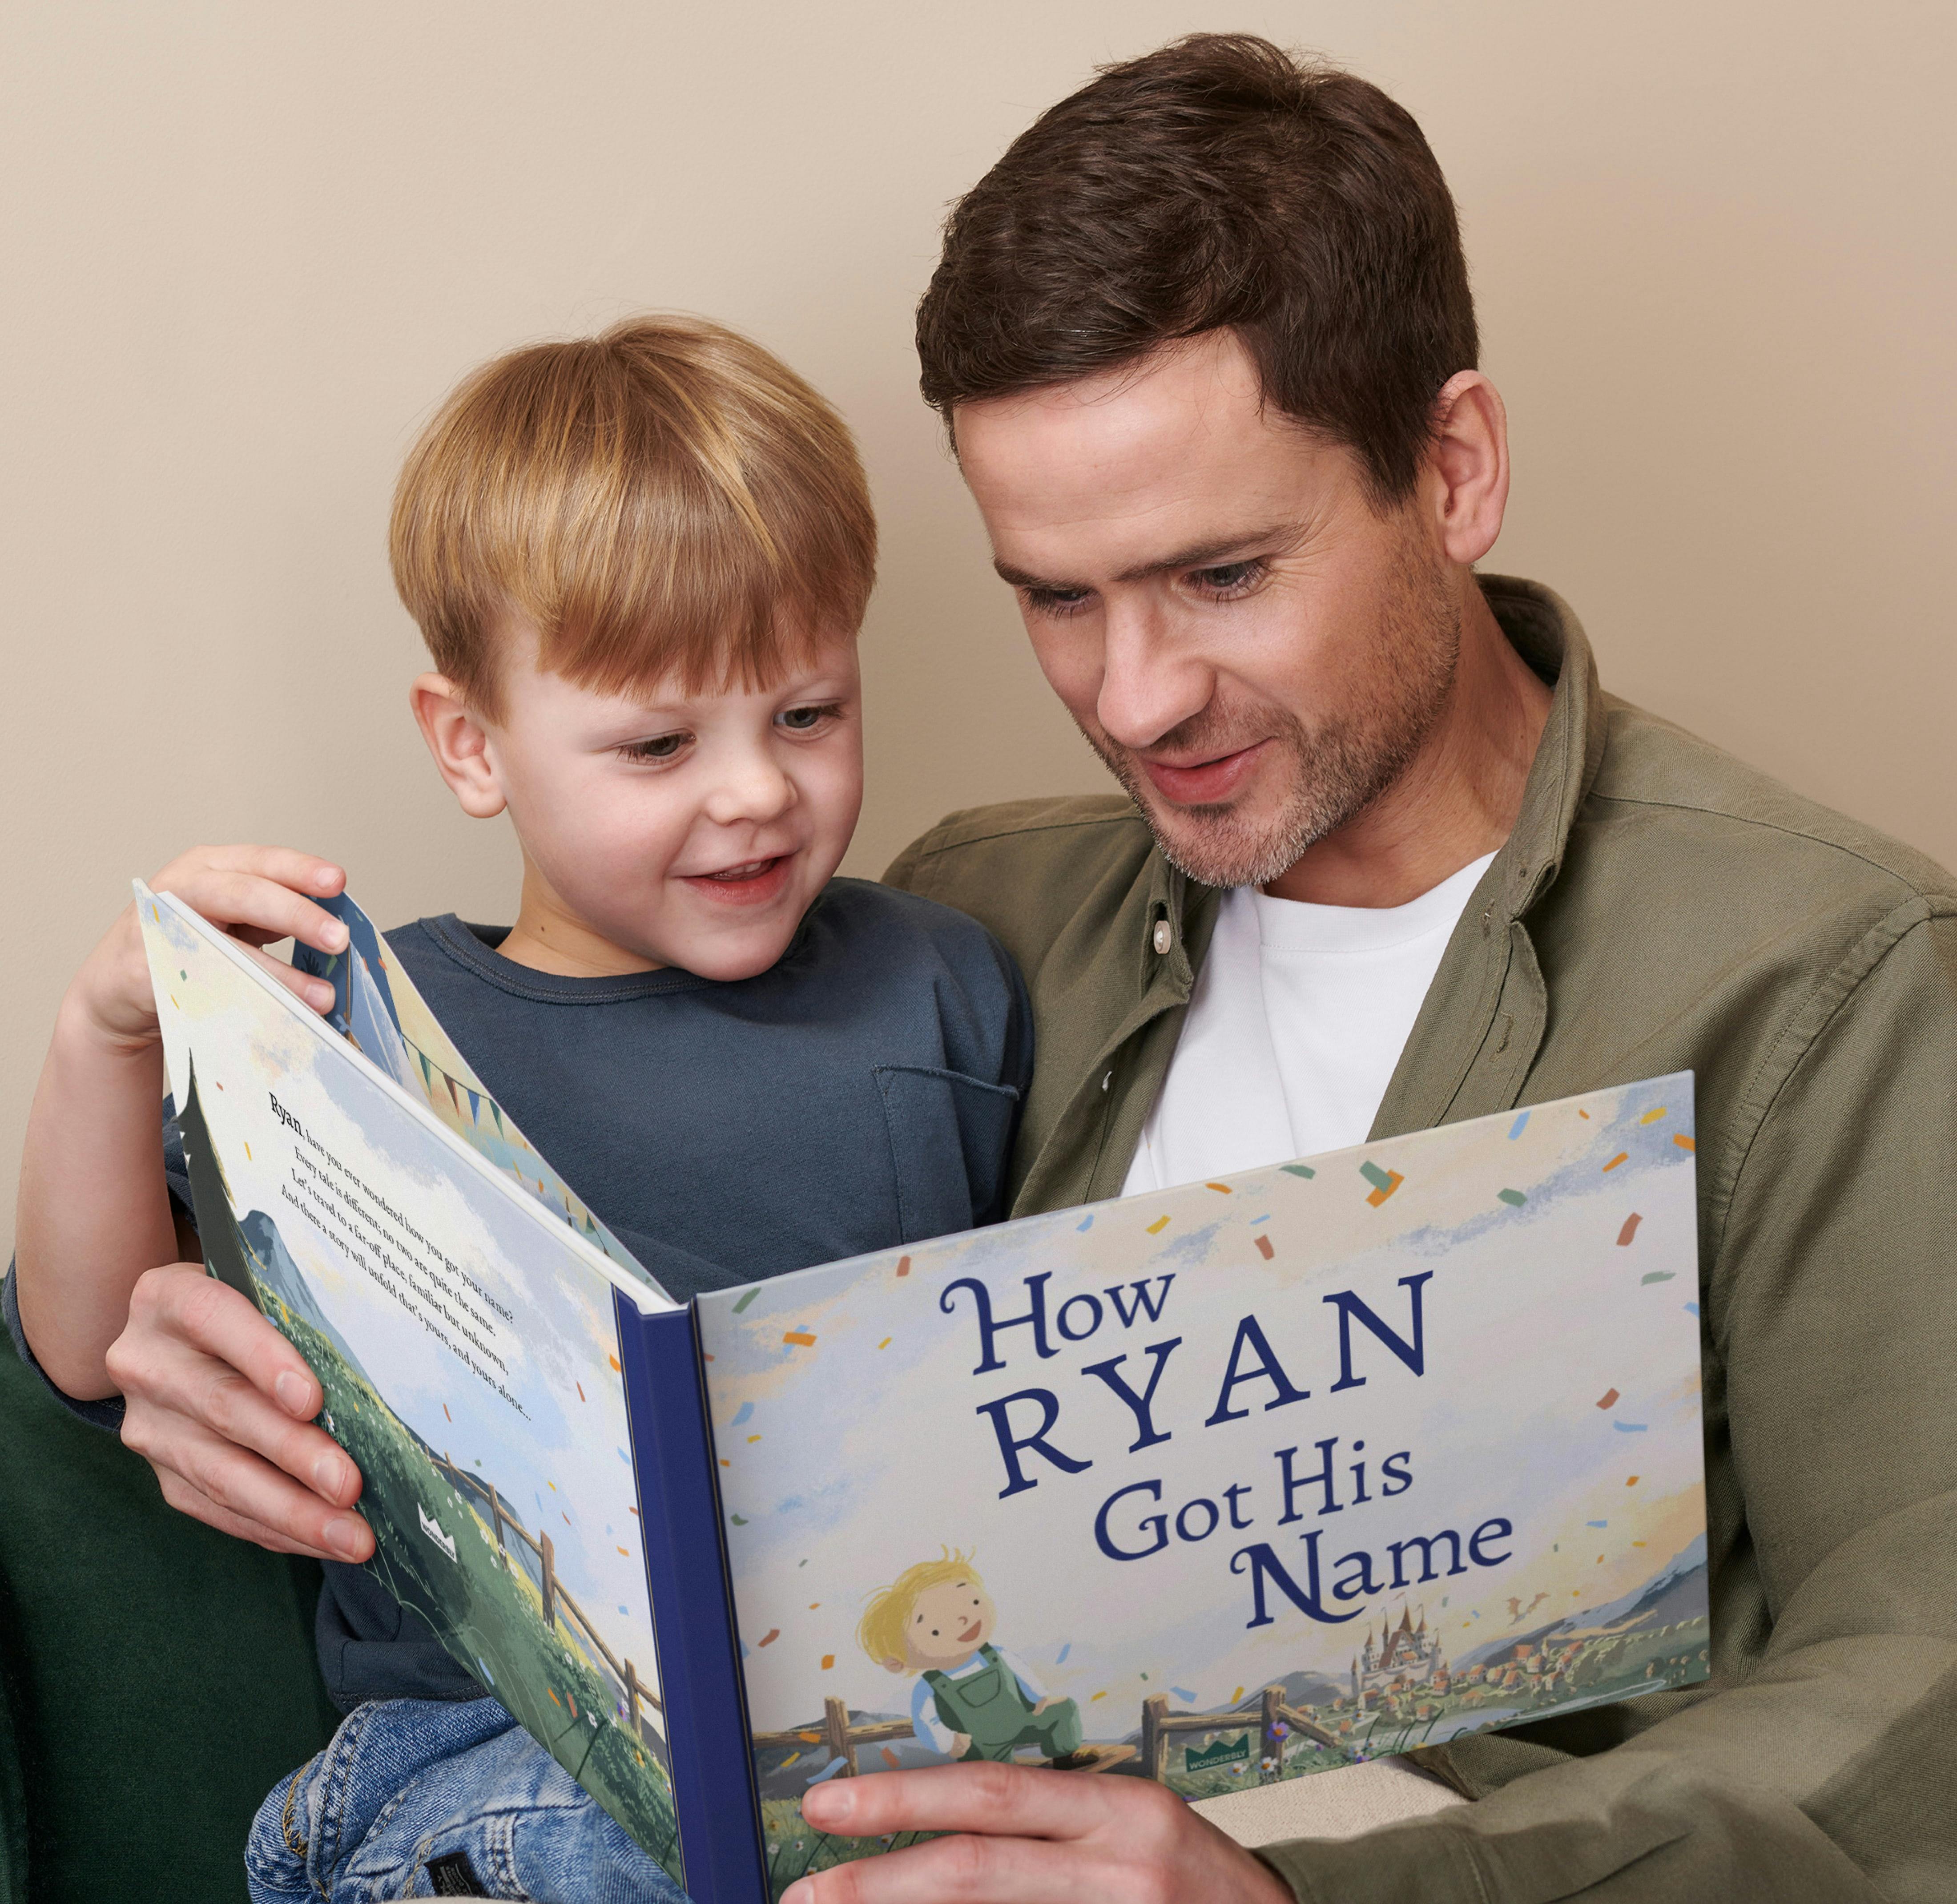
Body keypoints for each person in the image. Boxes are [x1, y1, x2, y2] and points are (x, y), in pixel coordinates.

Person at [781, 32, 1957, 1904]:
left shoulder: (1827, 974)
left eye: (1222, 574)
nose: (1134, 697)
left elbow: (1922, 1704)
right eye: (1055, 596)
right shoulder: (970, 915)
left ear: (1454, 467)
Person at [8, 315, 1031, 1900]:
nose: (756, 787)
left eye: (810, 713)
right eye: (659, 742)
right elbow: (89, 1348)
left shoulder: (944, 985)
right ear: (471, 746)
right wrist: (103, 1034)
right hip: (483, 1762)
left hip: (870, 1739)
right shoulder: (371, 1025)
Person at [859, 1551, 1089, 1768]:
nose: (964, 1620)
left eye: (974, 1603)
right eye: (936, 1630)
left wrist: (1040, 1698)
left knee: (1064, 1710)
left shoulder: (998, 1655)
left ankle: (1063, 1757)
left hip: (1021, 1721)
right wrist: (949, 1742)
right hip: (978, 1743)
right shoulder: (928, 1688)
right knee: (994, 1775)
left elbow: (1024, 1676)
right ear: (897, 1662)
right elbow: (927, 1723)